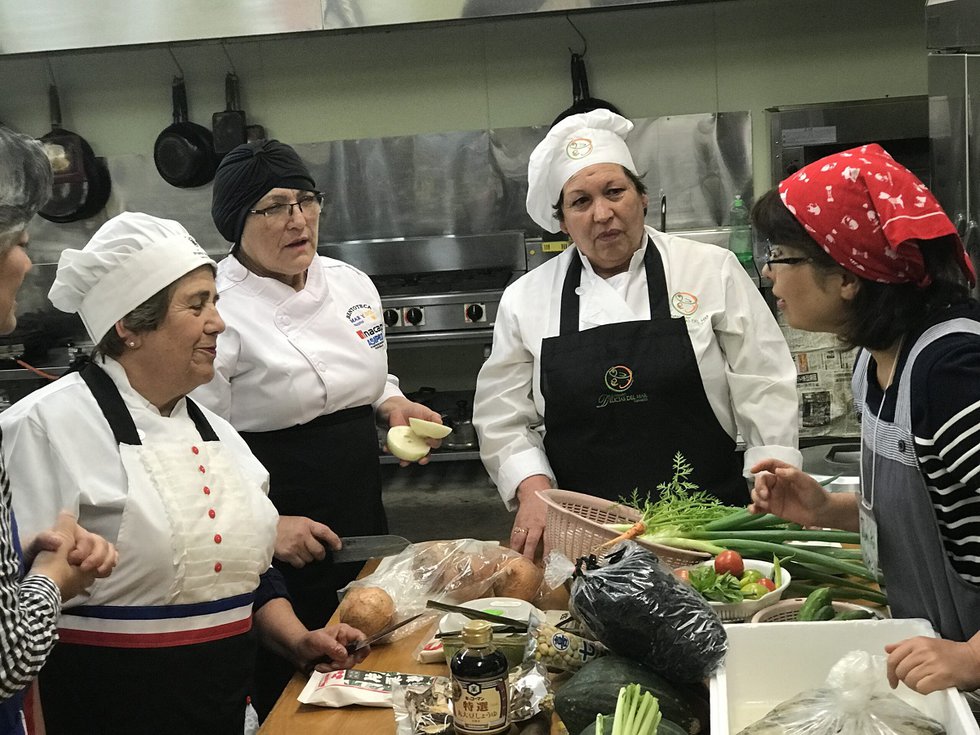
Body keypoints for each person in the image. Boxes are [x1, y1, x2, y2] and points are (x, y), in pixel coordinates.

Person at [2, 212, 368, 735]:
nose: (218, 322)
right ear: (129, 326)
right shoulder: (40, 428)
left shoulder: (220, 434)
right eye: (197, 305)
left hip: (218, 707)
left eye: (216, 302)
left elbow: (246, 571)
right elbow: (9, 609)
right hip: (94, 711)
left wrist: (295, 639)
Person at [473, 110, 801, 558]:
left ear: (642, 197)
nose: (603, 213)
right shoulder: (525, 299)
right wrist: (530, 487)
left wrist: (773, 469)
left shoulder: (708, 269)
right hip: (586, 538)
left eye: (615, 192)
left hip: (710, 529)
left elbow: (763, 378)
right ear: (563, 221)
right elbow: (502, 417)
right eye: (580, 201)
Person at [192, 139, 442, 714]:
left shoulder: (351, 283)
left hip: (356, 491)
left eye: (306, 200)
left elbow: (370, 372)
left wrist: (392, 403)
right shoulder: (216, 305)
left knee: (369, 636)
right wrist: (264, 522)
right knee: (292, 666)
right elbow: (198, 438)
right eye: (275, 206)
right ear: (236, 221)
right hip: (272, 505)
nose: (298, 219)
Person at [748, 143, 980, 696]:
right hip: (935, 666)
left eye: (782, 255)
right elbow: (942, 511)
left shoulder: (951, 375)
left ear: (849, 276)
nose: (769, 273)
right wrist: (827, 509)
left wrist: (972, 656)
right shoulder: (875, 360)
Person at [0, 126, 117, 735]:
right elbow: (5, 657)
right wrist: (51, 580)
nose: (26, 259)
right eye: (18, 242)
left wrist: (28, 563)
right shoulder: (35, 421)